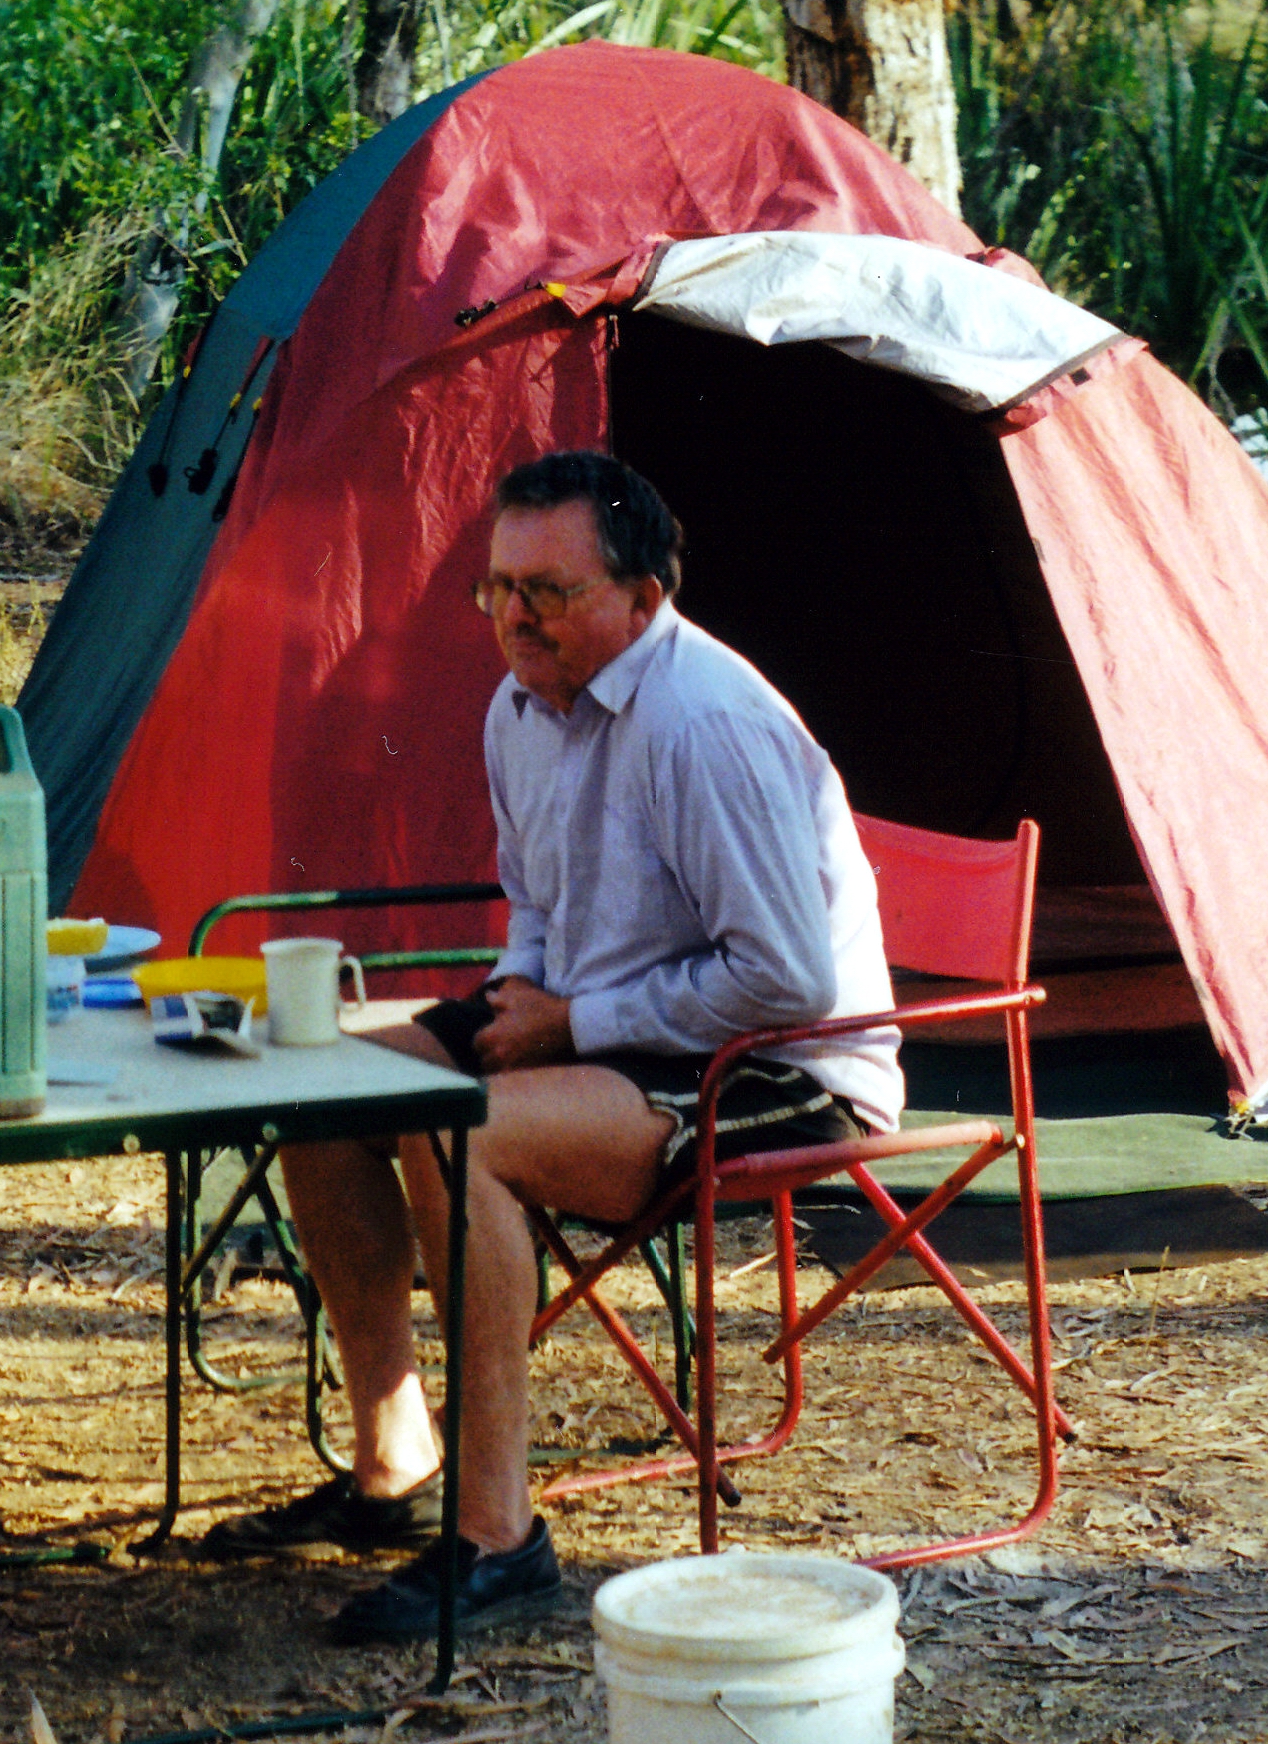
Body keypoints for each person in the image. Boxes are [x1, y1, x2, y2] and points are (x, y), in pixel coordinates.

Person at [200, 450, 902, 1641]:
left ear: (642, 595)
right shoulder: (520, 707)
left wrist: (571, 1022)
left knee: (454, 1130)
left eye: (550, 592)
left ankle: (496, 1537)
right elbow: (536, 907)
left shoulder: (702, 722)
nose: (516, 617)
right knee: (325, 1088)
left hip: (779, 1064)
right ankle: (393, 1465)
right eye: (499, 588)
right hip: (609, 1032)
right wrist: (526, 998)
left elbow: (785, 980)